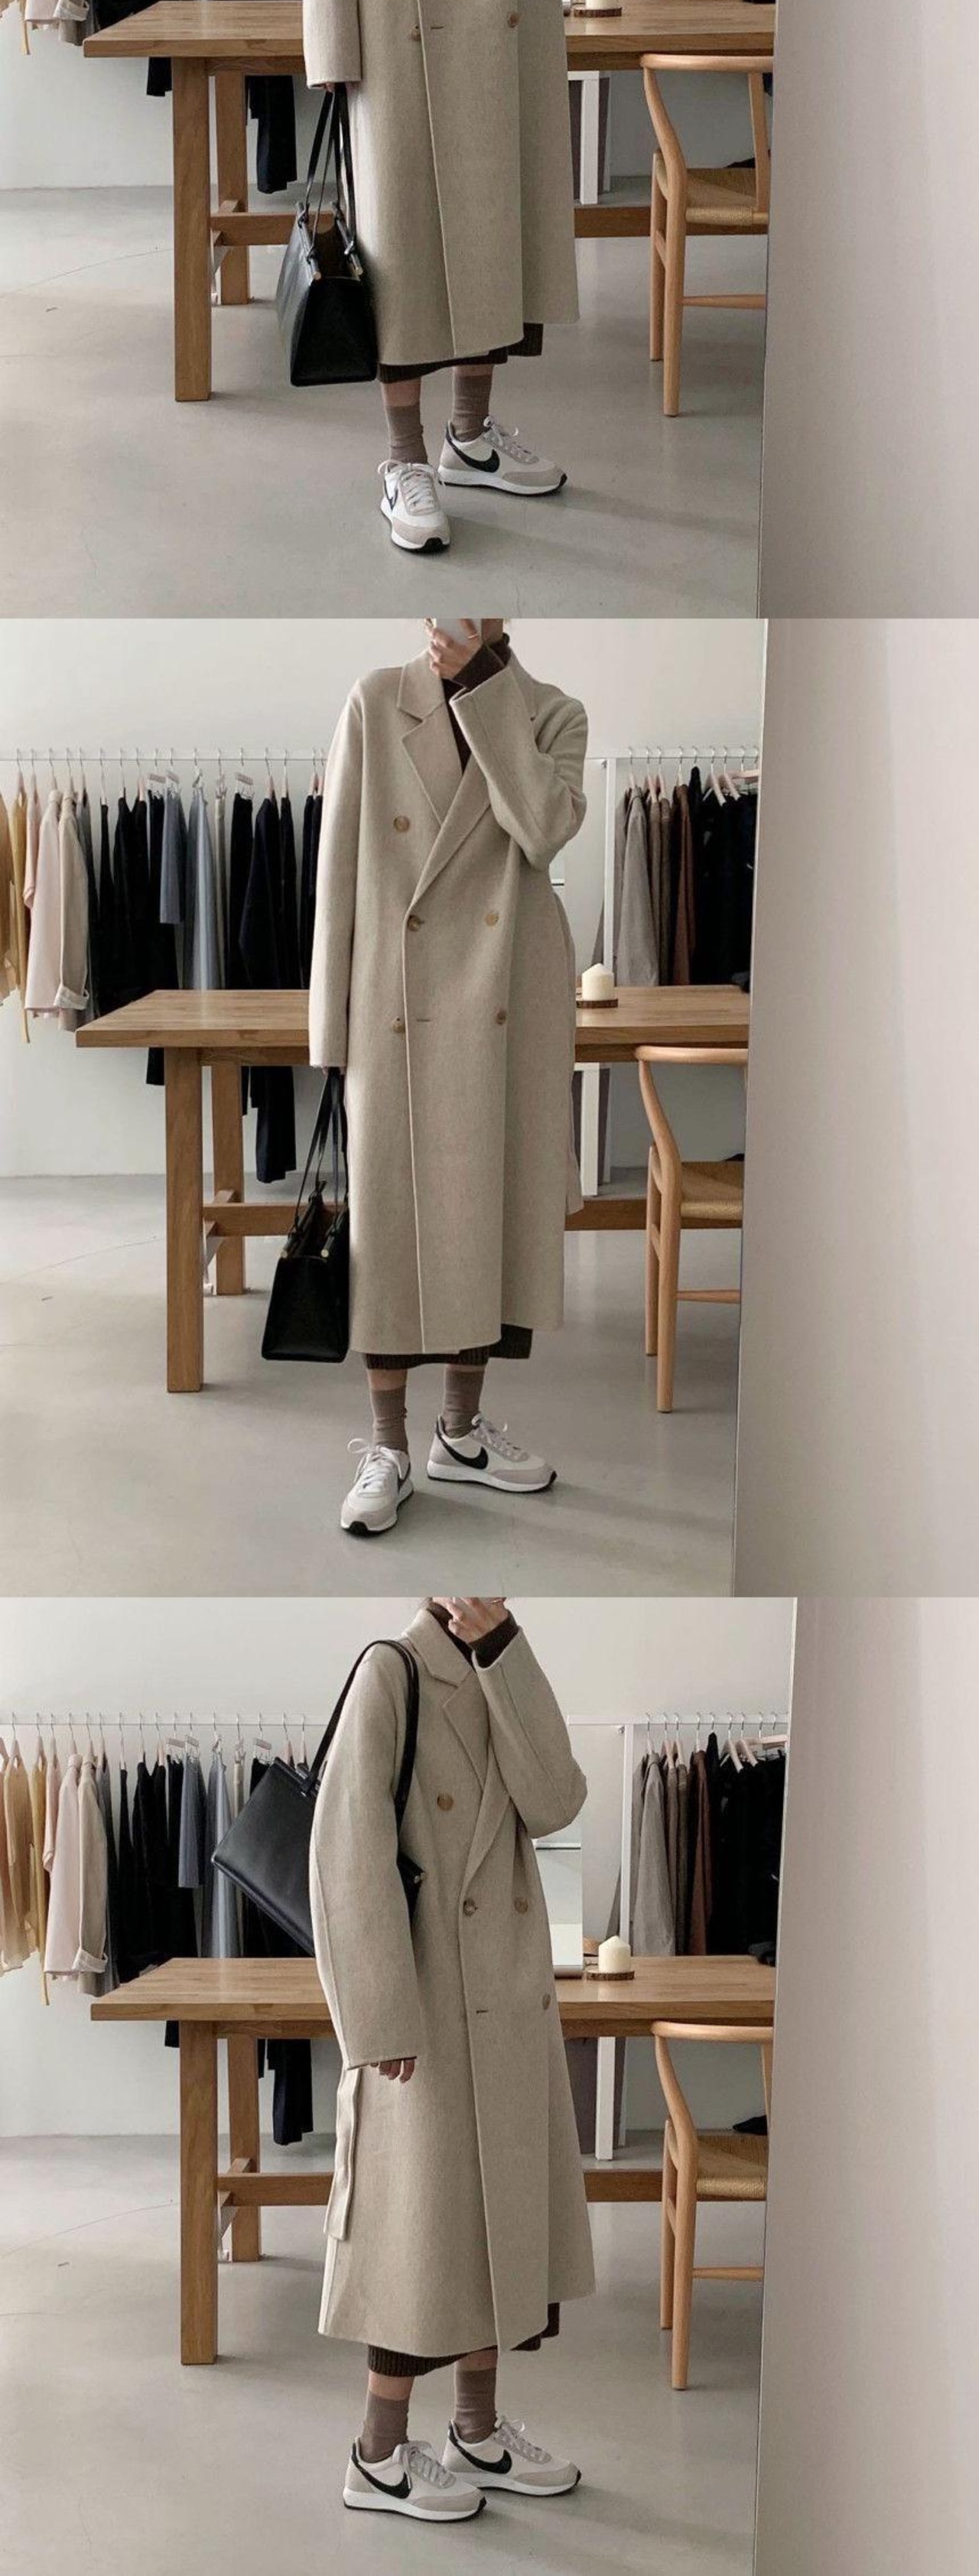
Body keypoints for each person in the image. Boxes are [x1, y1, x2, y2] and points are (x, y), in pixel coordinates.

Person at [311, 1595, 594, 2521]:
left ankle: (475, 2432)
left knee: (491, 2227)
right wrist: (380, 2017)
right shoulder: (390, 1671)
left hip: (506, 1999)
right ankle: (376, 2454)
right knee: (416, 2233)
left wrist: (503, 1649)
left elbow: (554, 1800)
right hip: (425, 2005)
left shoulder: (500, 1664)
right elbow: (347, 1850)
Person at [308, 619, 587, 1535]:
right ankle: (388, 1446)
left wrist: (485, 689)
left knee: (490, 1220)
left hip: (507, 996)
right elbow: (338, 867)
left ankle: (459, 1433)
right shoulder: (373, 700)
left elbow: (541, 831)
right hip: (393, 1001)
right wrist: (329, 1030)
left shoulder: (552, 714)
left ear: (505, 619)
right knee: (389, 1226)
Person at [300, 0, 578, 554]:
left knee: (493, 231)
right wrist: (332, 40)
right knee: (404, 246)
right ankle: (403, 456)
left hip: (502, 6)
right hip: (396, 19)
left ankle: (469, 437)